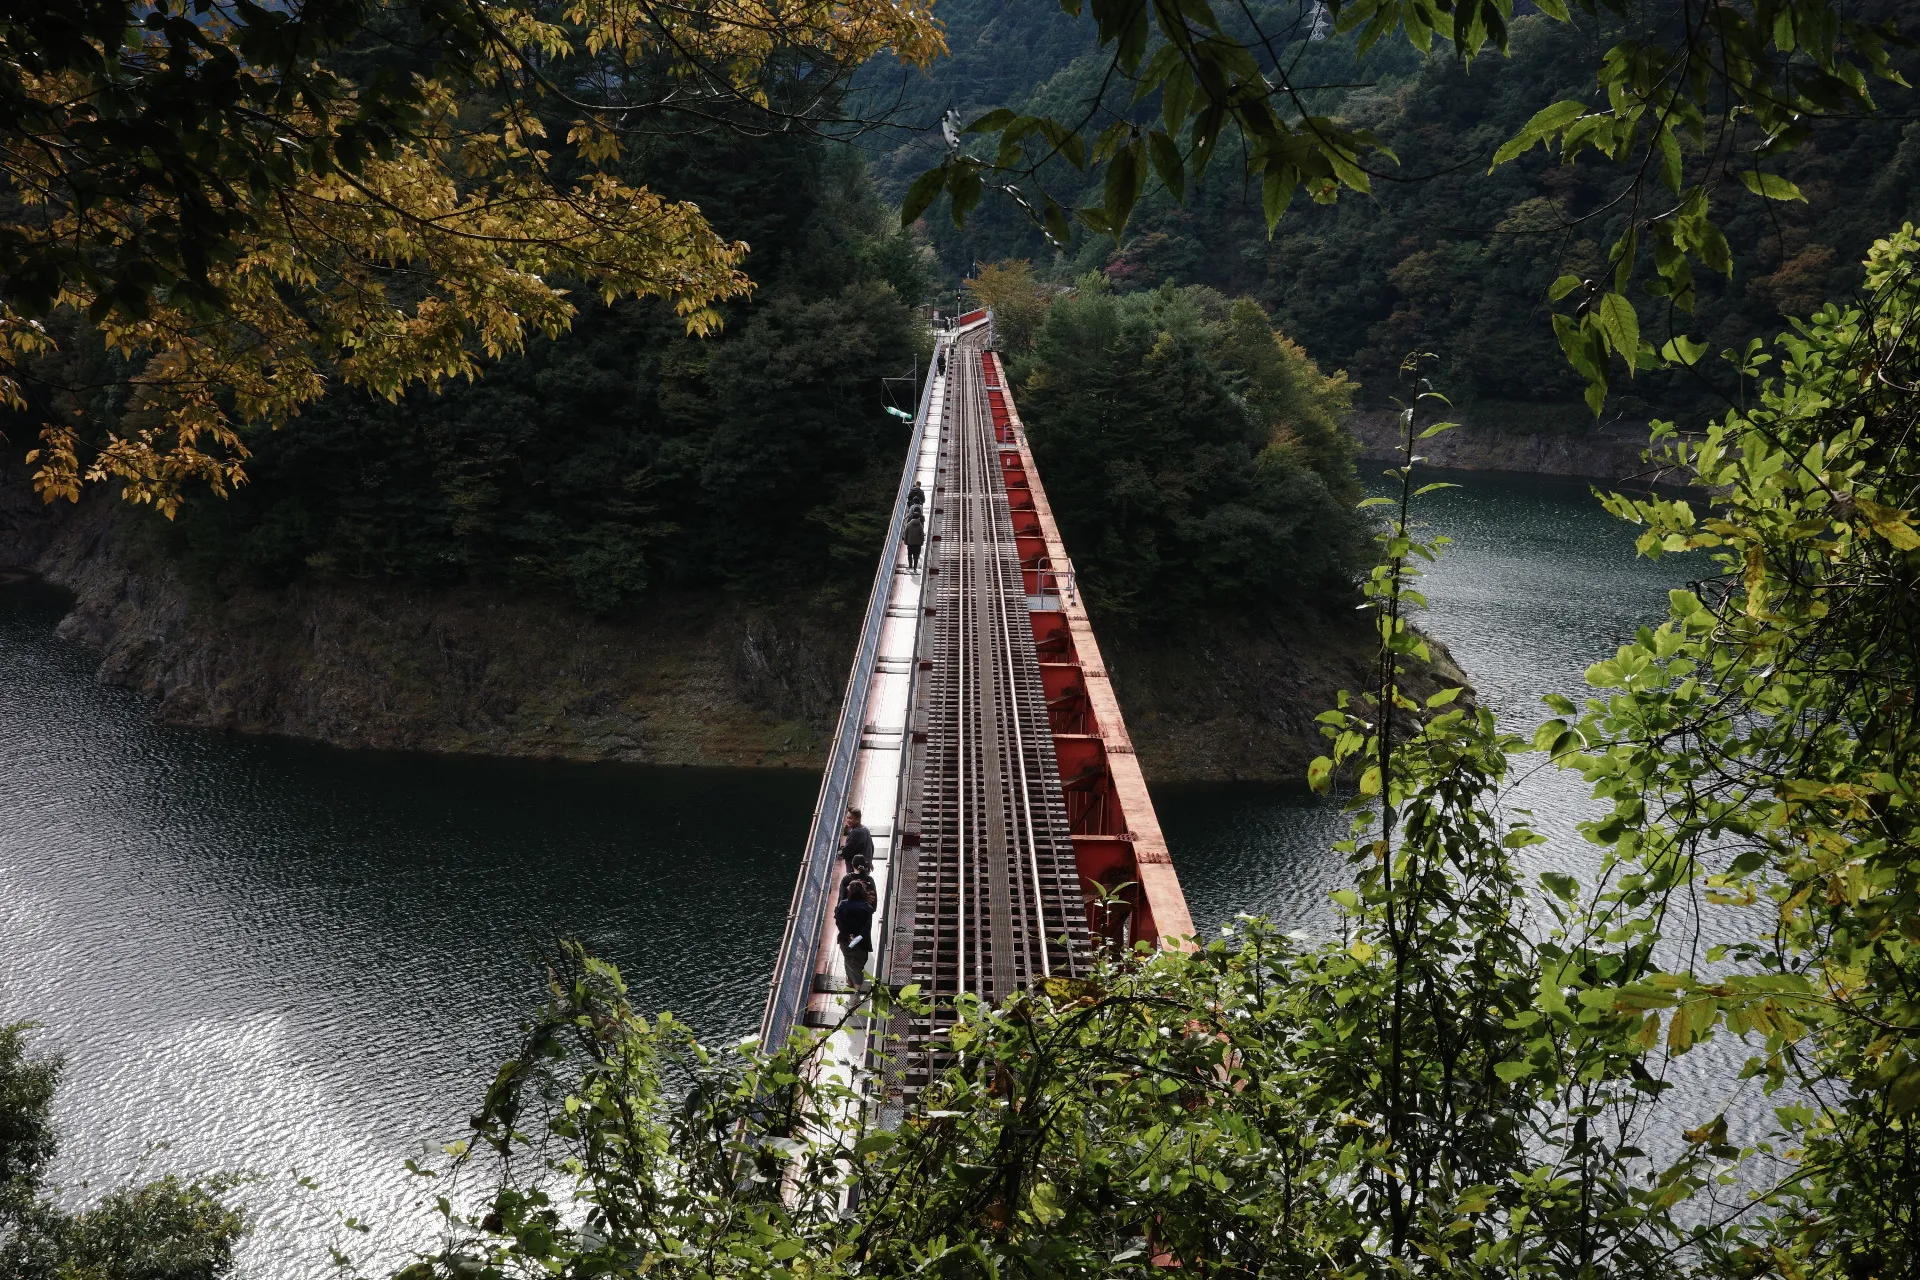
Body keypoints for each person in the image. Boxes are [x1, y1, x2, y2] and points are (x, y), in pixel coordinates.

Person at [835, 882, 875, 985]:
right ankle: (856, 987)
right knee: (857, 964)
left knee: (848, 960)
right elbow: (866, 928)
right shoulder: (866, 907)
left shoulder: (843, 904)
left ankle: (851, 982)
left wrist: (849, 936)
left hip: (845, 939)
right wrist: (855, 939)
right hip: (860, 942)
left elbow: (839, 922)